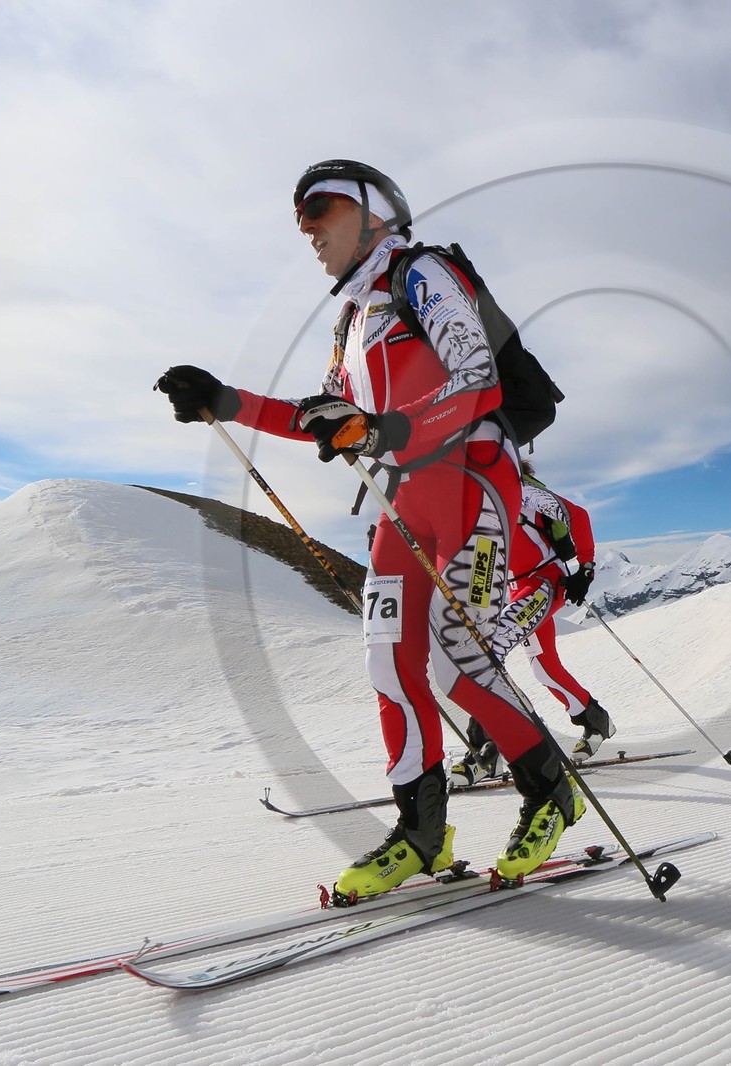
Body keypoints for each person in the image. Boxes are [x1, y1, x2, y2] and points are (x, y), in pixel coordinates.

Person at [155, 159, 582, 896]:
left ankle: (551, 795)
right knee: (390, 664)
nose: (306, 227)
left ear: (373, 211)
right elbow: (323, 415)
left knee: (459, 662)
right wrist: (223, 400)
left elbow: (475, 377)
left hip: (471, 483)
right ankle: (419, 834)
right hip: (402, 500)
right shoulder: (350, 318)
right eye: (298, 217)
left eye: (319, 207)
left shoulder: (422, 273)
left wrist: (383, 428)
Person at [451, 460, 616, 785]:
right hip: (513, 589)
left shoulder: (523, 492)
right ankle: (596, 721)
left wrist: (585, 569)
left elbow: (577, 515)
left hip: (543, 581)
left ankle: (487, 748)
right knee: (544, 667)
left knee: (486, 656)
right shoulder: (471, 503)